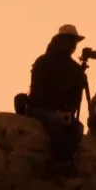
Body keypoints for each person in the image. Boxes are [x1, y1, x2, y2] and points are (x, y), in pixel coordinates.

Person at [26, 24, 90, 178]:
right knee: (54, 121)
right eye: (69, 40)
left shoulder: (75, 69)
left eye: (73, 41)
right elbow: (37, 92)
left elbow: (75, 98)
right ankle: (66, 160)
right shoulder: (43, 61)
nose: (72, 45)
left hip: (61, 112)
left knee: (77, 128)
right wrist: (57, 111)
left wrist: (68, 112)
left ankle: (62, 161)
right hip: (39, 108)